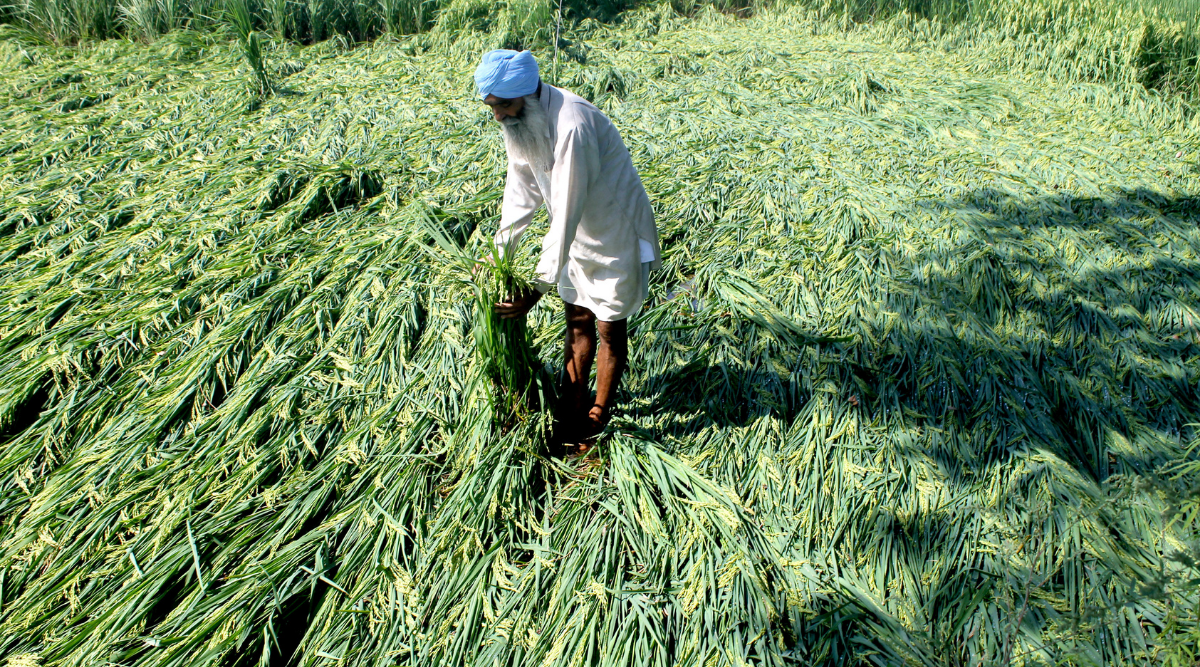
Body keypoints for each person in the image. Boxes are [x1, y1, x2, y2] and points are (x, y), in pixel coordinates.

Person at [473, 49, 661, 454]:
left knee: (609, 327)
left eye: (504, 105)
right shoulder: (523, 123)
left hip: (613, 233)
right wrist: (498, 254)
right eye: (492, 108)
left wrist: (536, 287)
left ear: (530, 94)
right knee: (576, 321)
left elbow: (566, 212)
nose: (499, 116)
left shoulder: (572, 124)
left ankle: (597, 414)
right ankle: (573, 402)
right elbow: (520, 191)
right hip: (574, 237)